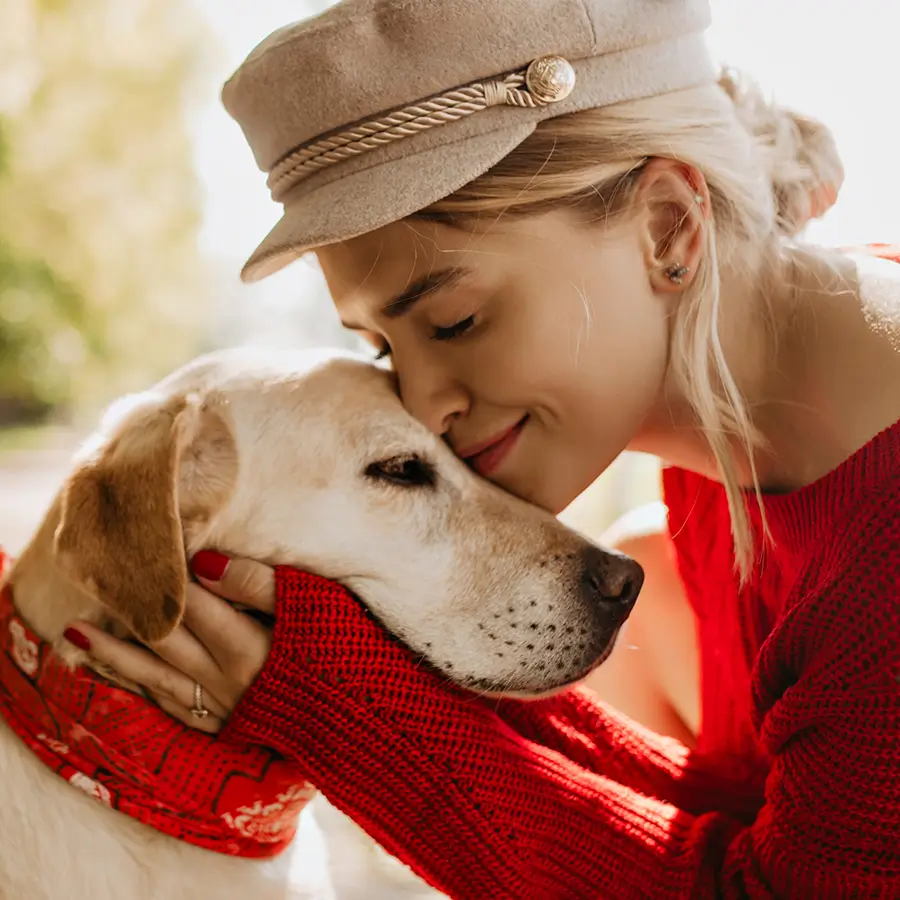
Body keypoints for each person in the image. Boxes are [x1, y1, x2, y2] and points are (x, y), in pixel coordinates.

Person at [62, 0, 900, 897]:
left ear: (666, 226)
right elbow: (764, 820)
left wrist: (355, 718)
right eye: (384, 348)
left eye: (454, 321)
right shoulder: (741, 430)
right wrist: (363, 678)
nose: (421, 404)